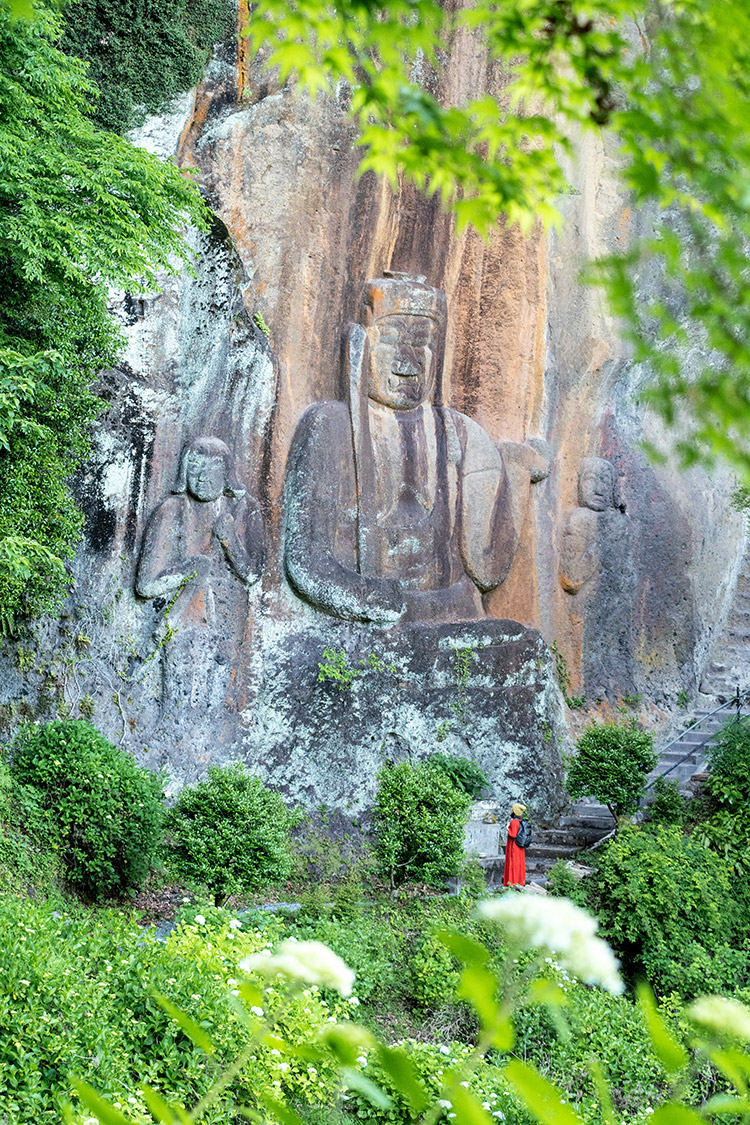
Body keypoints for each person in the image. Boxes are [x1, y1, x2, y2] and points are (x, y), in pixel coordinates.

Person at [283, 272, 548, 625]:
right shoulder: (329, 425)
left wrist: (514, 472)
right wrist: (369, 600)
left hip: (452, 613)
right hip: (365, 621)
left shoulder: (460, 434)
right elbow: (306, 561)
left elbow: (486, 569)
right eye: (391, 338)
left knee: (520, 649)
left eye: (421, 341)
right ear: (362, 346)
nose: (409, 359)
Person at [503, 802, 527, 888]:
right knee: (519, 863)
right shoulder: (520, 821)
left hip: (514, 846)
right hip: (520, 846)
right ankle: (520, 881)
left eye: (512, 809)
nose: (511, 810)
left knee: (513, 863)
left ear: (514, 811)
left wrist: (507, 828)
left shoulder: (513, 822)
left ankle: (512, 882)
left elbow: (513, 834)